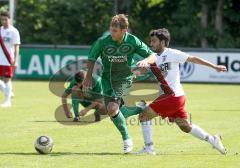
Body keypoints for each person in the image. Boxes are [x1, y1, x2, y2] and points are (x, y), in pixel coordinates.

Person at [136, 28, 227, 155]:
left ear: (163, 42)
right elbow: (145, 68)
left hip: (172, 96)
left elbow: (193, 59)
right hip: (176, 97)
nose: (151, 44)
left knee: (144, 115)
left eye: (154, 41)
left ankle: (149, 148)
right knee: (185, 127)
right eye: (151, 41)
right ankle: (213, 140)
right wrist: (135, 72)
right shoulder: (154, 57)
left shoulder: (172, 53)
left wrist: (214, 66)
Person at [83, 14, 155, 153]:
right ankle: (140, 109)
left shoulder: (133, 41)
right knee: (116, 112)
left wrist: (146, 61)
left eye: (115, 31)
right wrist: (88, 77)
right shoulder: (103, 42)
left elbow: (152, 55)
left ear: (124, 30)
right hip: (107, 80)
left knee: (111, 108)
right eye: (111, 29)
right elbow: (91, 58)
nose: (112, 33)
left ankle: (127, 140)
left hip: (125, 79)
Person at [0, 11, 20, 107]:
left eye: (5, 19)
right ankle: (8, 92)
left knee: (6, 79)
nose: (4, 21)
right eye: (2, 19)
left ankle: (8, 101)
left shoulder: (14, 31)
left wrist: (15, 60)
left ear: (9, 19)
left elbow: (16, 46)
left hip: (8, 59)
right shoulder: (0, 30)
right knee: (4, 80)